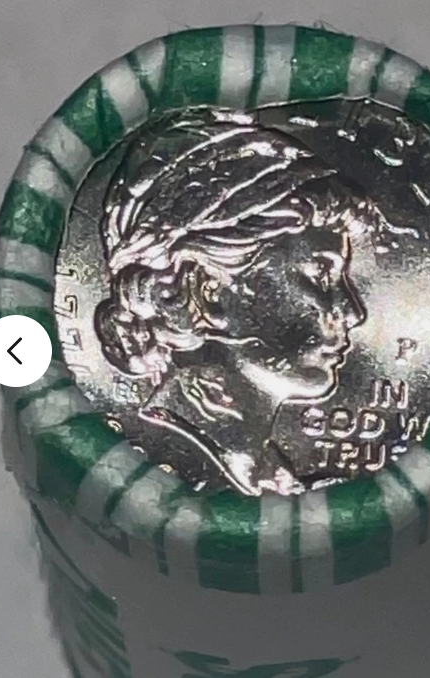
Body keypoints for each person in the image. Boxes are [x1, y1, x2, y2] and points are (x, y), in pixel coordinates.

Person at [94, 110, 368, 495]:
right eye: (321, 275)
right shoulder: (163, 483)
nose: (354, 313)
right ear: (205, 291)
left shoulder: (266, 478)